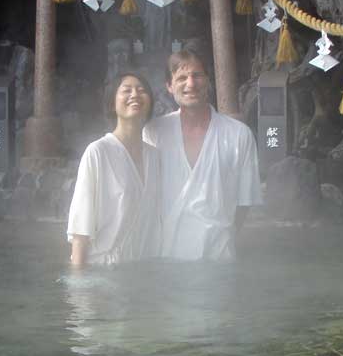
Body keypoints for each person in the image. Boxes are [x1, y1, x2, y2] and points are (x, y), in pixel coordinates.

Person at [143, 50, 262, 260]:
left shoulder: (238, 134)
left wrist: (222, 237)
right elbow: (145, 196)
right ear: (169, 86)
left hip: (218, 256)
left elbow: (245, 200)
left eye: (197, 75)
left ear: (208, 81)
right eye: (181, 77)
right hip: (166, 257)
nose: (191, 83)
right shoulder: (154, 132)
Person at [67, 72, 161, 266]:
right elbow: (80, 232)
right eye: (126, 90)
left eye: (141, 90)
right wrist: (79, 291)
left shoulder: (155, 157)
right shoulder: (98, 152)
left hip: (144, 271)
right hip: (104, 271)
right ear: (112, 103)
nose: (134, 94)